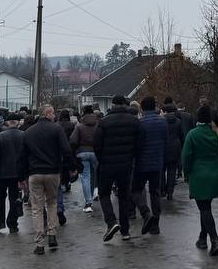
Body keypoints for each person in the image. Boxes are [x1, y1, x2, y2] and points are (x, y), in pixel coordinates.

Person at [23, 105, 78, 255]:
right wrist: (72, 166)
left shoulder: (29, 132)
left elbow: (23, 155)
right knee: (52, 203)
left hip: (35, 173)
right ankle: (52, 234)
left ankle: (39, 242)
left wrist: (22, 176)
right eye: (53, 113)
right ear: (48, 114)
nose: (55, 116)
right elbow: (66, 150)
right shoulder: (56, 129)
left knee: (37, 208)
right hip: (53, 172)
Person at [181, 104, 218, 255]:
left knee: (204, 209)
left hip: (198, 175)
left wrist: (186, 172)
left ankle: (215, 240)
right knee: (206, 207)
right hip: (214, 174)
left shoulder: (192, 134)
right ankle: (202, 238)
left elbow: (186, 156)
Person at [95, 94, 141, 242]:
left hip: (107, 164)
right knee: (124, 196)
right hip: (126, 164)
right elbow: (140, 143)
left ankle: (111, 222)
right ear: (125, 104)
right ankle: (125, 231)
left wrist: (102, 159)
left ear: (113, 105)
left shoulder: (104, 122)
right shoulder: (134, 121)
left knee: (104, 194)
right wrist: (132, 157)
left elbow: (97, 145)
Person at [133, 96, 169, 235]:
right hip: (157, 162)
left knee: (136, 190)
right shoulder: (162, 122)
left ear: (142, 108)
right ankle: (156, 224)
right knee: (155, 192)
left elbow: (137, 144)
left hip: (141, 163)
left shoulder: (140, 123)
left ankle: (145, 213)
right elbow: (165, 141)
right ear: (154, 106)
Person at [0, 113, 27, 232]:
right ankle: (12, 224)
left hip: (1, 173)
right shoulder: (23, 135)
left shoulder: (0, 136)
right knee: (14, 198)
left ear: (7, 123)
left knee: (0, 198)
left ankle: (0, 222)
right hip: (17, 174)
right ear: (18, 123)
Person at [70, 105, 100, 212]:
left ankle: (88, 203)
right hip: (95, 153)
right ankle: (93, 194)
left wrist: (74, 151)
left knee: (85, 176)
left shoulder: (79, 126)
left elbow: (73, 141)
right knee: (94, 175)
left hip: (82, 153)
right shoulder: (98, 125)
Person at [162, 99, 185, 201]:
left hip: (163, 147)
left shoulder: (162, 121)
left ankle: (162, 189)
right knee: (172, 171)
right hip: (175, 147)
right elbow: (181, 135)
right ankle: (170, 191)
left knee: (162, 170)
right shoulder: (178, 121)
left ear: (165, 111)